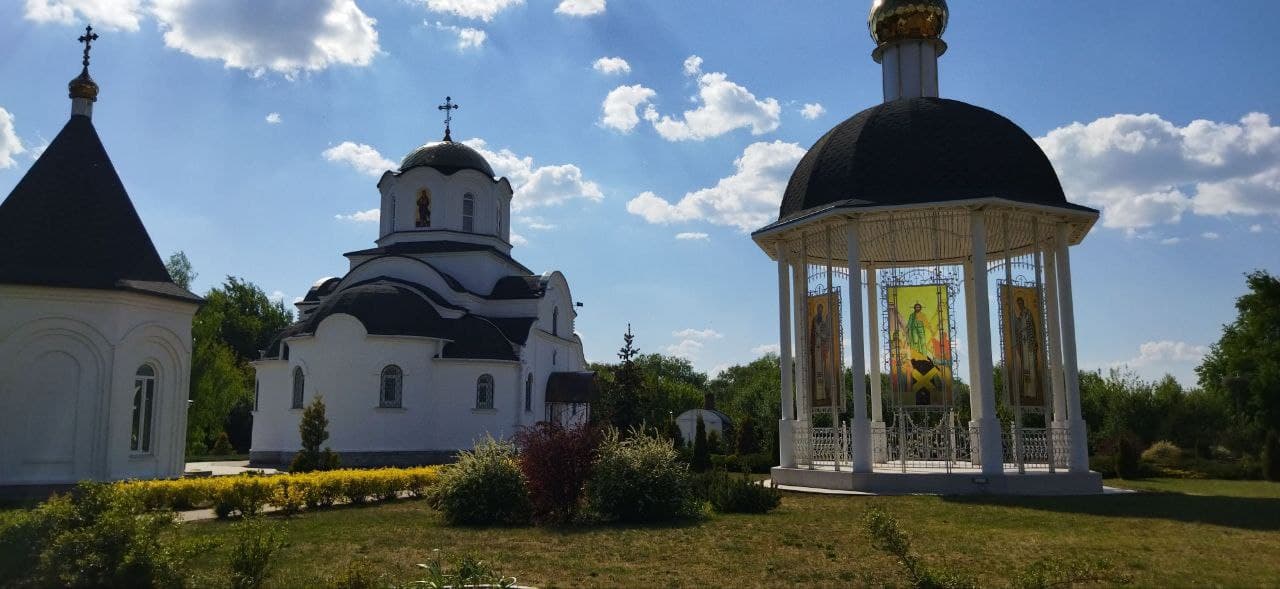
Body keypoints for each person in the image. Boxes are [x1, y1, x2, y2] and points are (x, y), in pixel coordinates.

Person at [1011, 296, 1040, 403]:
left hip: (1029, 344)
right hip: (1023, 345)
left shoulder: (1028, 313)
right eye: (1018, 304)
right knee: (1026, 368)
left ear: (1023, 303)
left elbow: (1031, 328)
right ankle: (1027, 392)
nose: (1019, 305)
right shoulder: (1020, 315)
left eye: (1020, 303)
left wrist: (1033, 342)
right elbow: (1018, 328)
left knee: (1031, 367)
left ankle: (1033, 392)